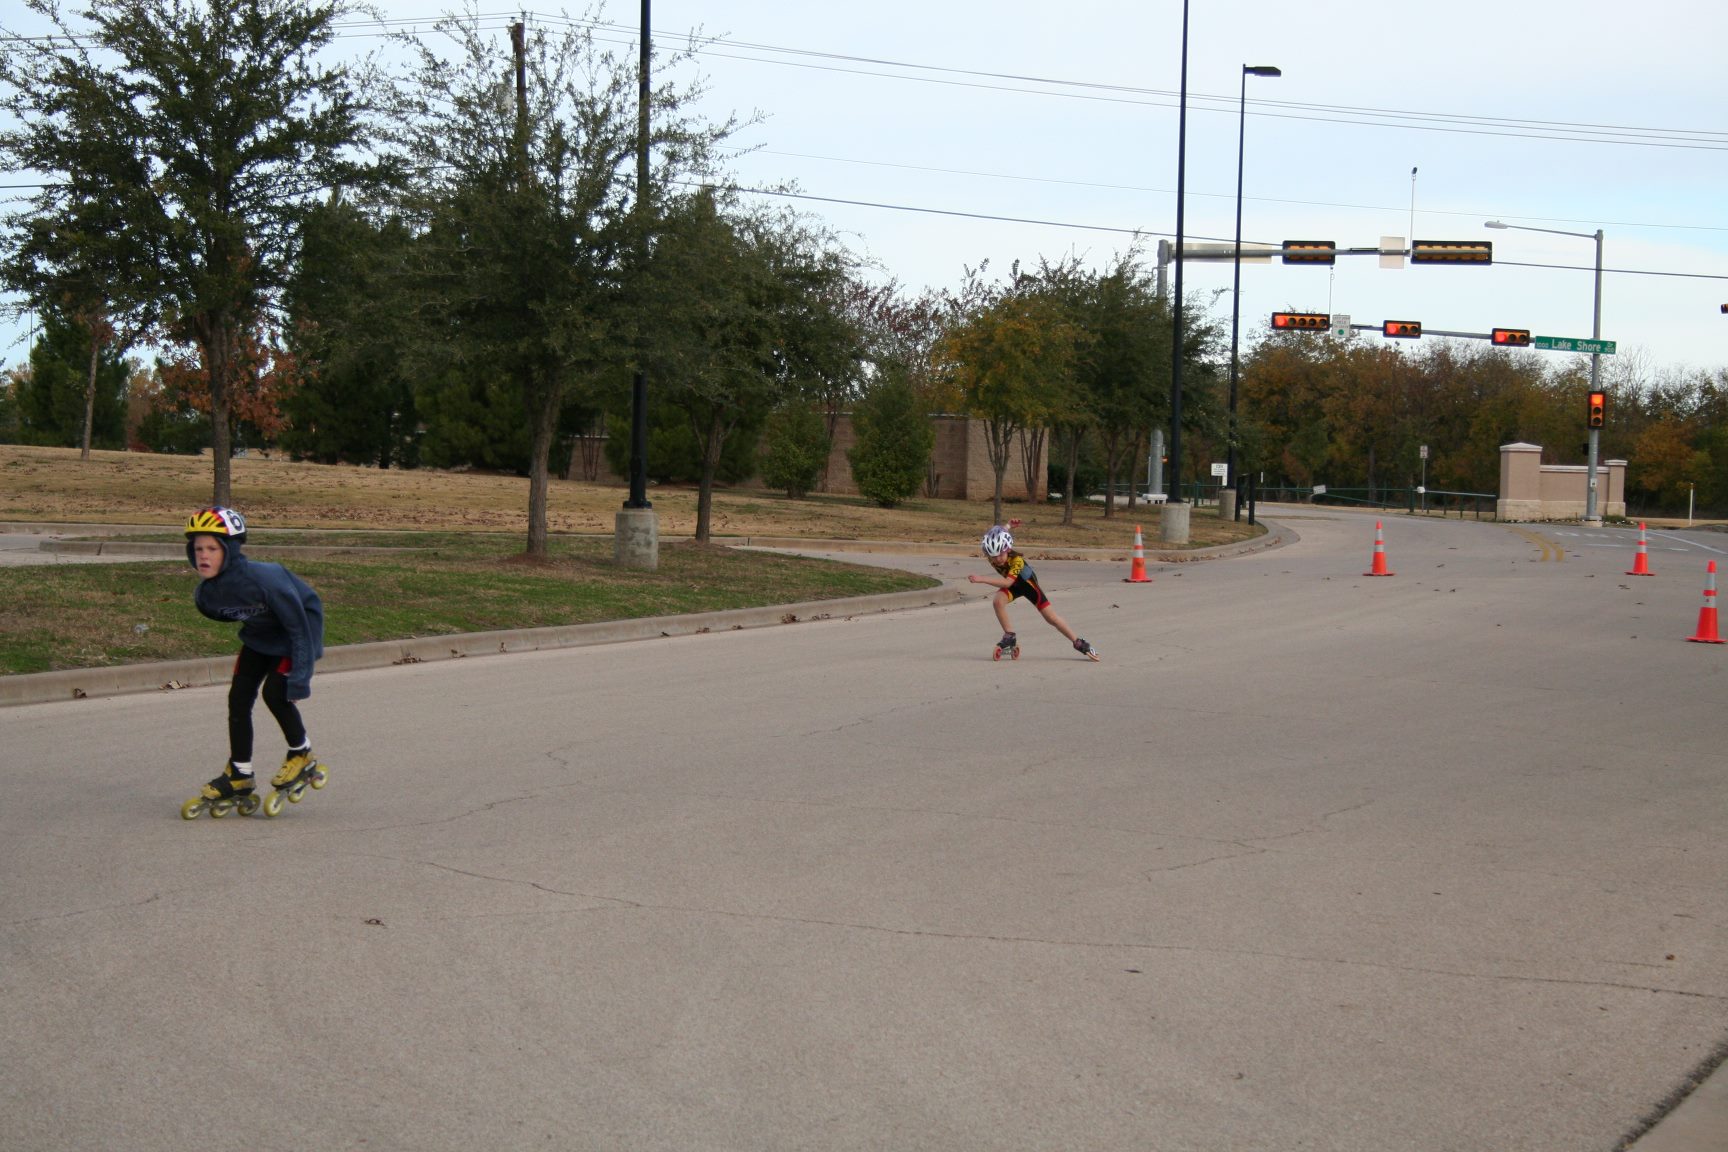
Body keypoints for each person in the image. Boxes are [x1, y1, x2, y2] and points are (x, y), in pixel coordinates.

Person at [181, 507, 326, 817]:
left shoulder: (266, 578)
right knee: (238, 698)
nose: (203, 556)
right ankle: (239, 773)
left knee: (276, 693)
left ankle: (302, 754)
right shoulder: (206, 595)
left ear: (230, 551)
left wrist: (300, 677)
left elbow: (298, 628)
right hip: (261, 637)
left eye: (212, 548)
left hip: (296, 632)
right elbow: (228, 612)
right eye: (198, 548)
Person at [967, 522, 1099, 661]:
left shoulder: (1016, 560)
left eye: (1000, 555)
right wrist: (1008, 526)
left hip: (1029, 586)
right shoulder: (992, 554)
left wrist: (982, 579)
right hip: (1014, 586)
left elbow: (1007, 582)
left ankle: (1079, 642)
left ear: (1007, 548)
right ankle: (1010, 635)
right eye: (993, 556)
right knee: (998, 602)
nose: (997, 559)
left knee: (1052, 619)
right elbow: (1000, 532)